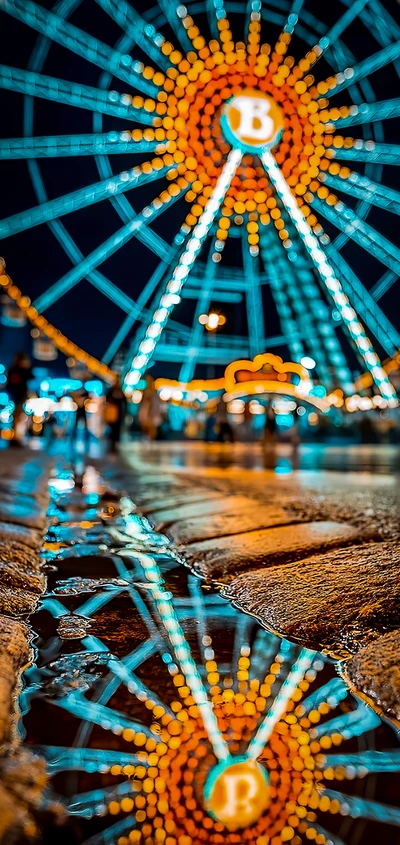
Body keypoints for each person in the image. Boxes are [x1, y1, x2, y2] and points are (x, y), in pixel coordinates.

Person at [6, 352, 33, 444]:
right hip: (19, 397)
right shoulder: (21, 371)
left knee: (17, 416)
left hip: (16, 397)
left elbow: (9, 385)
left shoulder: (13, 370)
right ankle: (17, 437)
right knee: (19, 416)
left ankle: (16, 436)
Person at [105, 378, 127, 451]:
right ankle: (114, 443)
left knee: (115, 430)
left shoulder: (113, 392)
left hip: (116, 415)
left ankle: (114, 443)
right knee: (115, 429)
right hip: (114, 414)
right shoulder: (116, 392)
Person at [138, 375, 162, 440]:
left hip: (151, 412)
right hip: (147, 411)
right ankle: (147, 437)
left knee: (151, 426)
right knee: (147, 426)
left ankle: (151, 437)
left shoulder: (153, 393)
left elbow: (156, 404)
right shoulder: (147, 392)